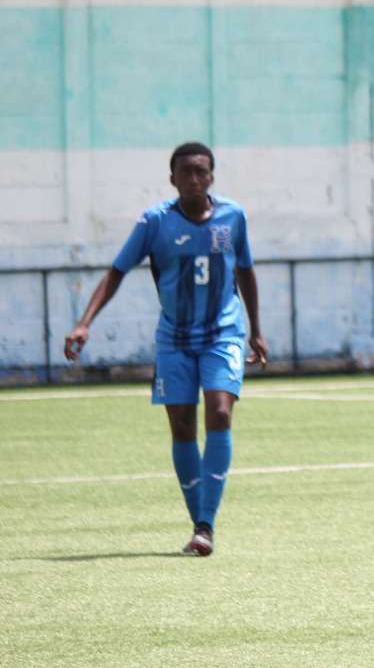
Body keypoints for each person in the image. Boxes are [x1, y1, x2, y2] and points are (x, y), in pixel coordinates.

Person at [64, 142, 267, 556]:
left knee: (220, 410)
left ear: (212, 176)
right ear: (172, 178)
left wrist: (256, 330)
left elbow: (245, 270)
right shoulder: (154, 222)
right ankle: (200, 523)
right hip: (174, 338)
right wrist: (85, 323)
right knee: (181, 427)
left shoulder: (233, 216)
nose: (195, 179)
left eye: (202, 171)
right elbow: (117, 272)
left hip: (222, 332)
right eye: (186, 172)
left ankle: (206, 524)